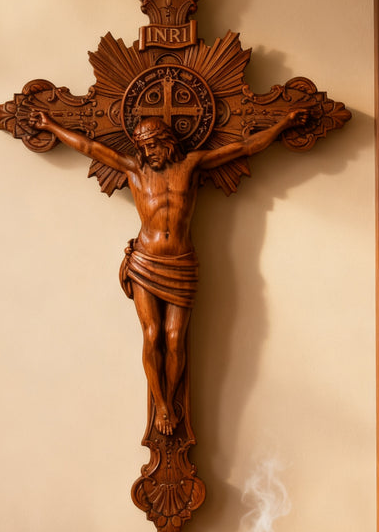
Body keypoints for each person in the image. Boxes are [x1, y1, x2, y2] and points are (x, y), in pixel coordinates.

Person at [29, 107, 312, 435]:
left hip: (181, 262)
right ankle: (162, 405)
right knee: (152, 335)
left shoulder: (191, 165)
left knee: (175, 339)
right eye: (143, 147)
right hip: (145, 262)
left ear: (167, 142)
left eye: (152, 145)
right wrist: (50, 124)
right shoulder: (135, 168)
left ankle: (172, 396)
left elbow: (244, 147)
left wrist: (283, 124)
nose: (147, 152)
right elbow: (89, 147)